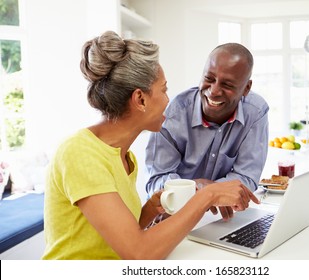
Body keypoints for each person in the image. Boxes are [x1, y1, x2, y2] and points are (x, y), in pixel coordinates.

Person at [41, 31, 259, 260]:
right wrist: (208, 194)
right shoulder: (80, 153)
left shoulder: (124, 158)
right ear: (140, 100)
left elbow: (118, 238)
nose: (169, 99)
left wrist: (149, 212)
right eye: (164, 90)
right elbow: (139, 253)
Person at [145, 43, 269, 220]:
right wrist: (203, 191)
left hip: (220, 218)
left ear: (246, 88)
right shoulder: (173, 113)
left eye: (227, 84)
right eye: (209, 79)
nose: (214, 91)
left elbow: (246, 177)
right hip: (174, 217)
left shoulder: (256, 112)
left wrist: (211, 192)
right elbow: (155, 183)